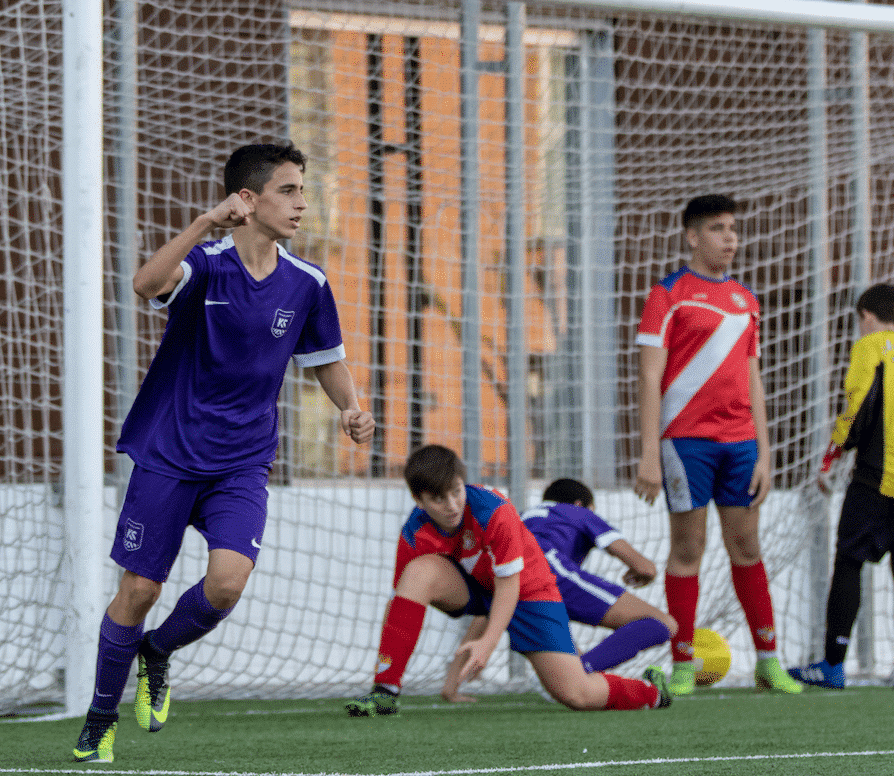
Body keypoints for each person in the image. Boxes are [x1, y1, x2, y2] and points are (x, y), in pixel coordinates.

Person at [72, 142, 376, 763]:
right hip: (169, 455)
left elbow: (326, 360)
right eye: (288, 190)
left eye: (301, 190)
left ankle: (156, 653)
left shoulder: (307, 283)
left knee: (228, 585)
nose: (300, 203)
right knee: (138, 591)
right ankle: (99, 718)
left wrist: (349, 405)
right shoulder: (206, 265)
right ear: (249, 198)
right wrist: (206, 222)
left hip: (242, 462)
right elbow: (144, 283)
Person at [346, 445, 673, 716]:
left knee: (577, 694)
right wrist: (453, 677)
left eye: (456, 492)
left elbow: (508, 586)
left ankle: (649, 691)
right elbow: (404, 603)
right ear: (419, 501)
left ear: (463, 482)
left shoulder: (494, 509)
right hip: (480, 589)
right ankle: (385, 690)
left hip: (532, 591)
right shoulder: (414, 533)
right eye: (438, 499)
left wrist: (486, 644)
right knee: (417, 573)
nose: (452, 505)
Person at [633, 194, 801, 696]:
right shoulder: (669, 295)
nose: (730, 238)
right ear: (692, 236)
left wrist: (765, 452)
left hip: (741, 443)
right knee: (689, 548)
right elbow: (648, 375)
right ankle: (682, 663)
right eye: (717, 229)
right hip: (686, 443)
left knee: (746, 547)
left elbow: (754, 377)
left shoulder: (746, 300)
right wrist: (647, 453)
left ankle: (769, 662)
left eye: (733, 228)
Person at [788, 283, 894, 691]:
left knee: (849, 559)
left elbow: (858, 403)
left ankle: (833, 665)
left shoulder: (871, 347)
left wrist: (833, 455)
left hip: (882, 473)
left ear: (866, 316)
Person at [440, 478, 677, 702]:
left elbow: (486, 615)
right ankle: (578, 673)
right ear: (580, 504)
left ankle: (573, 673)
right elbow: (645, 567)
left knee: (557, 640)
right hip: (548, 568)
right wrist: (640, 572)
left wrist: (450, 685)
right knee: (664, 624)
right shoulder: (576, 512)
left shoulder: (521, 519)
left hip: (510, 578)